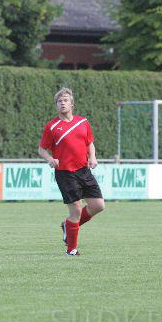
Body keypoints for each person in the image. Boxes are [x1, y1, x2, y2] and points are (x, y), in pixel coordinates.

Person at [38, 87, 105, 256]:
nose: (62, 103)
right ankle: (71, 250)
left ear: (72, 104)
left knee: (98, 206)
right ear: (56, 105)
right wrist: (50, 160)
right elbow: (41, 149)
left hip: (84, 170)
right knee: (75, 209)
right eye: (59, 101)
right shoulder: (52, 126)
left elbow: (90, 143)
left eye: (65, 100)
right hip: (65, 173)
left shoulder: (83, 122)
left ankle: (67, 226)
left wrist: (93, 157)